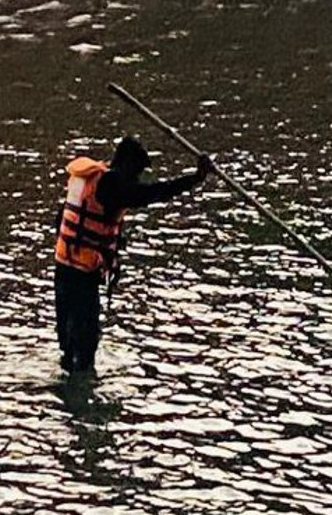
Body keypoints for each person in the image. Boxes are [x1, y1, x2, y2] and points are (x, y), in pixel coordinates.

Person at [54, 137, 213, 376]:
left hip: (63, 266)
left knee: (69, 344)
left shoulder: (89, 179)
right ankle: (82, 395)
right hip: (81, 278)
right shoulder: (113, 185)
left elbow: (63, 221)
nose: (137, 179)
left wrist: (105, 243)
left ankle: (69, 384)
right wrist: (195, 178)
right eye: (137, 172)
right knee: (86, 345)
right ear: (127, 165)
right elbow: (154, 193)